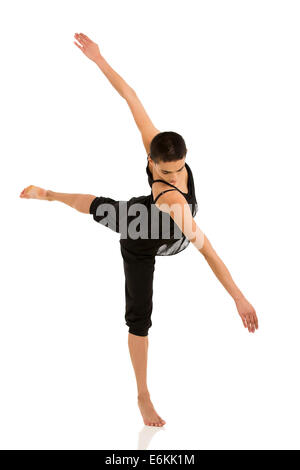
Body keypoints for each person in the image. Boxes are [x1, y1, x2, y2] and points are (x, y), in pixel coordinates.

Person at [19, 33, 259, 428]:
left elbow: (130, 96)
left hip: (171, 229)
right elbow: (209, 253)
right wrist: (239, 297)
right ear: (151, 161)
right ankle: (142, 395)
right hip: (142, 234)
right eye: (165, 172)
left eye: (180, 168)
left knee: (105, 205)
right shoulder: (171, 200)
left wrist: (99, 59)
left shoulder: (166, 158)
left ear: (183, 156)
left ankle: (48, 194)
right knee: (104, 222)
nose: (175, 176)